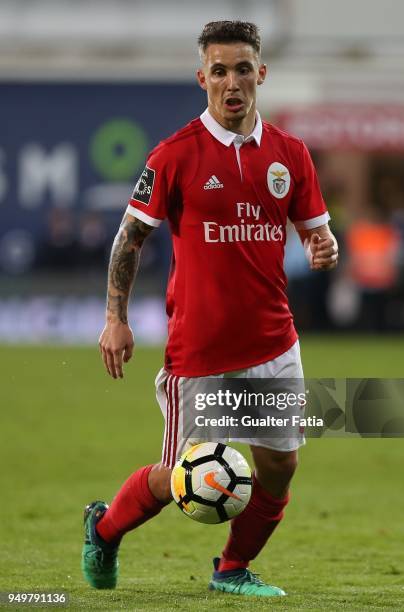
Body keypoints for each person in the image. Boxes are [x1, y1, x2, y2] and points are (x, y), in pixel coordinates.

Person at [82, 20, 338, 598]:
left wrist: (325, 246)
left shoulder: (290, 154)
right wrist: (115, 318)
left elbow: (316, 232)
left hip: (274, 343)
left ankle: (231, 570)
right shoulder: (174, 155)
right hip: (199, 351)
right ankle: (103, 527)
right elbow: (129, 239)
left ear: (261, 74)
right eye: (219, 71)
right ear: (202, 78)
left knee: (279, 468)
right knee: (182, 479)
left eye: (243, 69)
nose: (232, 82)